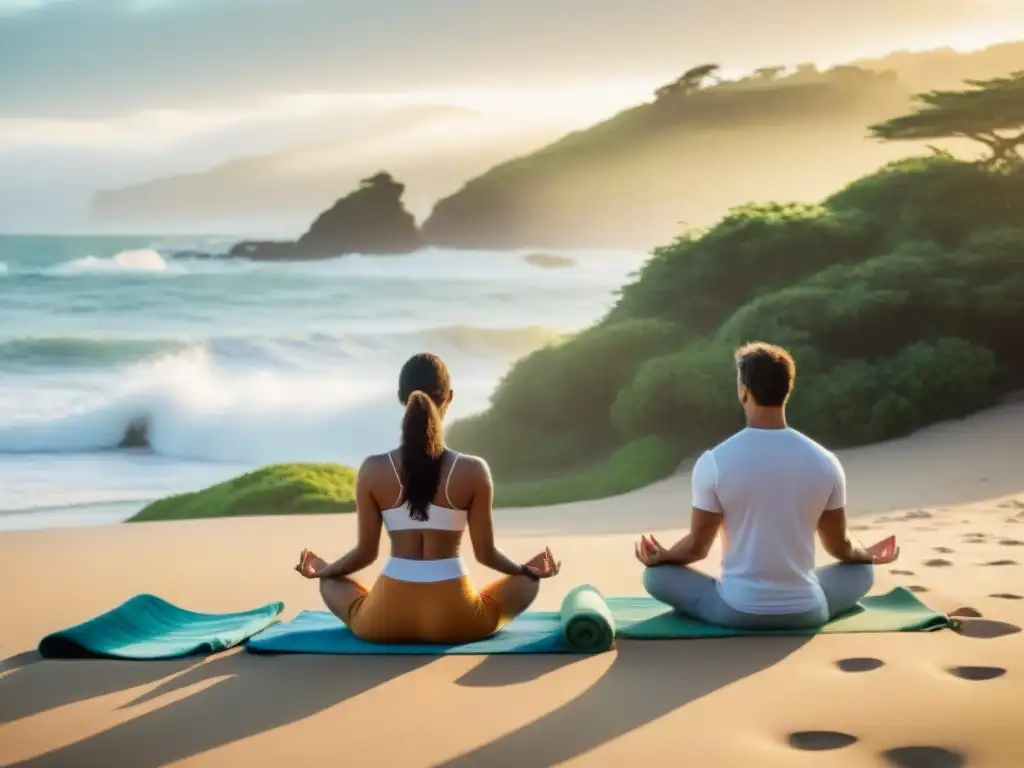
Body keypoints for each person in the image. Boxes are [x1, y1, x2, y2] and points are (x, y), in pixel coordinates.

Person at [296, 352, 560, 644]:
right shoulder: (473, 470)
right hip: (457, 620)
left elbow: (365, 554)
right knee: (528, 583)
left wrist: (325, 570)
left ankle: (349, 590)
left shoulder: (373, 469)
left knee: (331, 582)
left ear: (401, 398)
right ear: (449, 397)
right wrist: (525, 570)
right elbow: (486, 555)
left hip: (384, 621)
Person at [636, 341, 899, 630]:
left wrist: (663, 556)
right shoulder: (826, 461)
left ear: (743, 390)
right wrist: (867, 554)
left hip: (737, 611)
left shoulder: (715, 462)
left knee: (656, 577)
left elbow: (697, 548)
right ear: (788, 390)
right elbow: (841, 547)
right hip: (808, 610)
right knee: (862, 571)